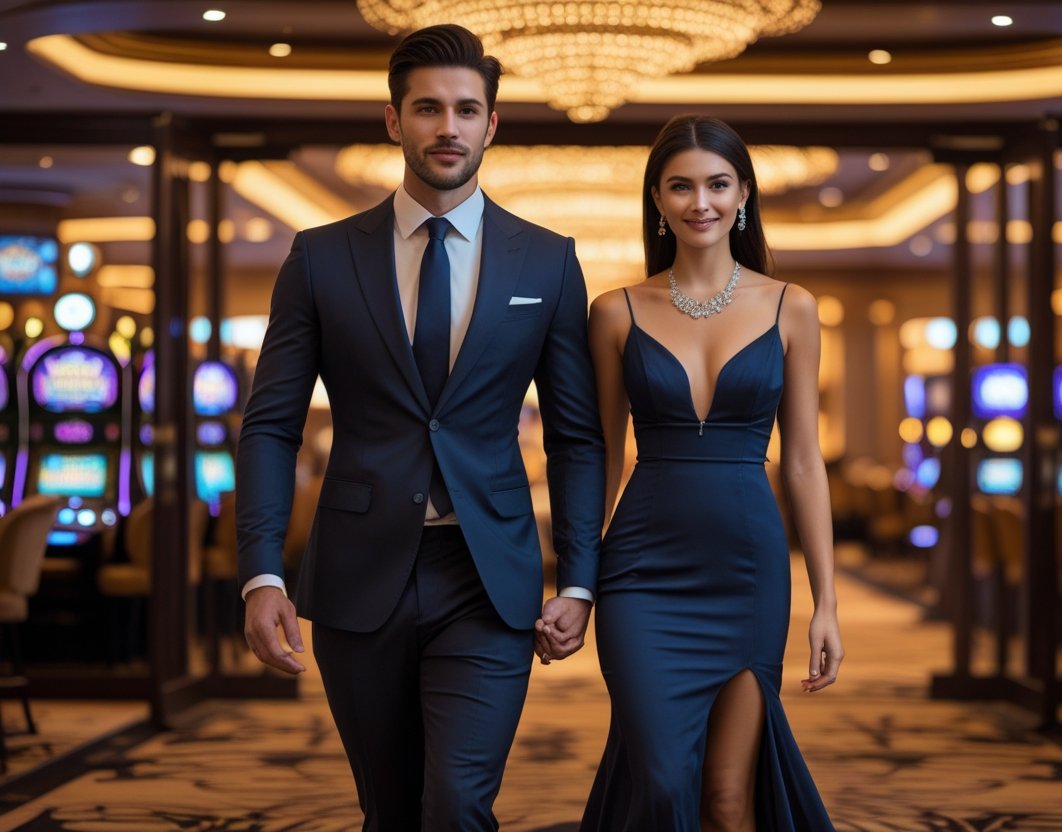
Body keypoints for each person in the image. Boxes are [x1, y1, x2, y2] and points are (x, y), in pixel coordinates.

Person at [236, 24, 604, 830]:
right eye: (429, 108)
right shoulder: (321, 257)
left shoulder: (547, 262)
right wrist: (262, 571)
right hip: (357, 576)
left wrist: (580, 579)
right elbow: (270, 426)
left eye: (467, 110)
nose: (449, 127)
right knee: (391, 808)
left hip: (488, 577)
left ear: (492, 125)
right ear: (394, 121)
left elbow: (578, 437)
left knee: (459, 804)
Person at [579, 115, 842, 831]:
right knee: (663, 782)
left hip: (748, 571)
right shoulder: (615, 313)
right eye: (682, 186)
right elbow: (600, 454)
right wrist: (578, 576)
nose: (702, 202)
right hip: (640, 574)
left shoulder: (794, 309)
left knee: (729, 799)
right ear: (658, 200)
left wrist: (826, 601)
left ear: (744, 194)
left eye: (718, 184)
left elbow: (804, 462)